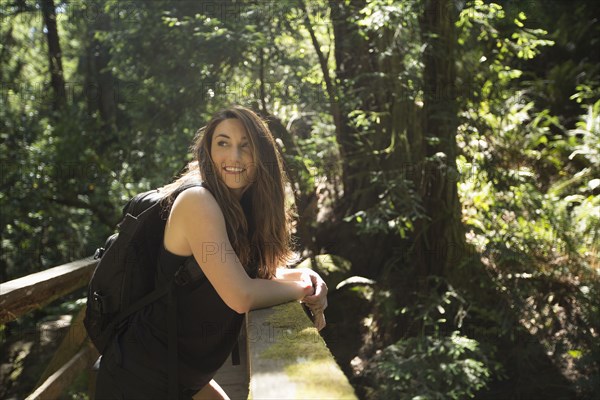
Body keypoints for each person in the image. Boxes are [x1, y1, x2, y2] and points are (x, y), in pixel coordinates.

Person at [94, 105, 328, 399]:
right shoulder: (198, 202)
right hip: (140, 378)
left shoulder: (241, 208)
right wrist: (301, 289)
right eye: (223, 143)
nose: (234, 156)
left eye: (246, 145)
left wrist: (306, 276)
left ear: (262, 155)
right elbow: (241, 295)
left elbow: (249, 273)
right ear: (208, 150)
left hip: (183, 376)